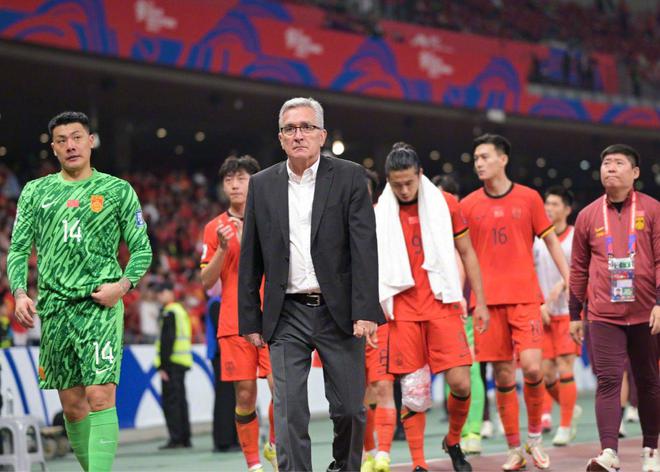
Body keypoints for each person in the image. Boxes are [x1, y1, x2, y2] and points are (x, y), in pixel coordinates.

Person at [238, 97, 383, 472]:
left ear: (322, 135)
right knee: (289, 412)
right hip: (286, 313)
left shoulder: (350, 177)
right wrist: (251, 319)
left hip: (341, 312)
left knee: (350, 410)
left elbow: (364, 248)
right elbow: (251, 255)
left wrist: (366, 310)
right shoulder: (262, 184)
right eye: (289, 129)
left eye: (306, 127)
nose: (298, 135)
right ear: (280, 138)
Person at [7, 111, 152, 471]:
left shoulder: (117, 190)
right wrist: (20, 293)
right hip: (55, 309)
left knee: (100, 396)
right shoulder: (35, 192)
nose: (70, 145)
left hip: (99, 306)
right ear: (54, 148)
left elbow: (142, 249)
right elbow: (19, 249)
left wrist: (121, 287)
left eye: (76, 137)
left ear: (90, 141)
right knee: (72, 407)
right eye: (62, 140)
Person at [375, 143, 489, 472]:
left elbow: (467, 252)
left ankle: (453, 440)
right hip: (403, 312)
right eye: (397, 184)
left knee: (461, 383)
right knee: (414, 391)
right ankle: (419, 462)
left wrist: (480, 301)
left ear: (421, 174)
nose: (404, 190)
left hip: (443, 305)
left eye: (409, 182)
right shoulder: (380, 212)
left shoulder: (446, 204)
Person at [460, 134, 570, 471]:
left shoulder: (529, 198)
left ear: (503, 159)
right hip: (486, 304)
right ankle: (514, 449)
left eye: (485, 157)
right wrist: (460, 298)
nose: (479, 163)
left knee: (534, 368)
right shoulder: (468, 205)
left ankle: (534, 438)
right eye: (475, 158)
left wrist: (571, 278)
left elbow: (551, 242)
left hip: (525, 299)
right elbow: (463, 254)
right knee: (504, 376)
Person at [568, 144, 659, 472]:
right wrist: (574, 314)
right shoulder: (588, 215)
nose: (611, 168)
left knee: (648, 381)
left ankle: (651, 449)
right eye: (606, 163)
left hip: (647, 312)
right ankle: (609, 452)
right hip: (603, 314)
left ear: (635, 173)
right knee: (608, 380)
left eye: (619, 163)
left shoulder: (653, 210)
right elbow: (578, 268)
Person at [200, 155, 277, 472]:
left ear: (254, 182)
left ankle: (274, 445)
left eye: (241, 178)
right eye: (229, 179)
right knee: (245, 396)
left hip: (274, 319)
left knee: (282, 390)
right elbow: (206, 282)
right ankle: (254, 464)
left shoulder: (273, 219)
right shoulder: (214, 228)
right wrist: (221, 248)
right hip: (234, 322)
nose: (234, 184)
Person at [435, 174, 486, 456]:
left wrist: (468, 298)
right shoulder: (432, 226)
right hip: (437, 307)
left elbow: (467, 258)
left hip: (465, 306)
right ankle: (458, 431)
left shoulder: (463, 225)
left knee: (471, 368)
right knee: (450, 371)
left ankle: (473, 431)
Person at [533, 186, 582, 447]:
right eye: (546, 204)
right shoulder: (537, 241)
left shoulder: (575, 237)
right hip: (543, 314)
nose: (548, 208)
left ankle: (565, 425)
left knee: (564, 366)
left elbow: (583, 271)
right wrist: (539, 304)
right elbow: (530, 274)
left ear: (567, 209)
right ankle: (569, 407)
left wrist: (564, 284)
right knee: (545, 373)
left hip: (568, 312)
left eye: (554, 204)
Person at [154, 281, 192, 449]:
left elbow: (167, 340)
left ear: (170, 293)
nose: (159, 296)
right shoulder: (180, 310)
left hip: (171, 363)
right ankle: (185, 437)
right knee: (181, 401)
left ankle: (176, 438)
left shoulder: (169, 312)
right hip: (181, 361)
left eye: (162, 292)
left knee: (172, 402)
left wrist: (163, 366)